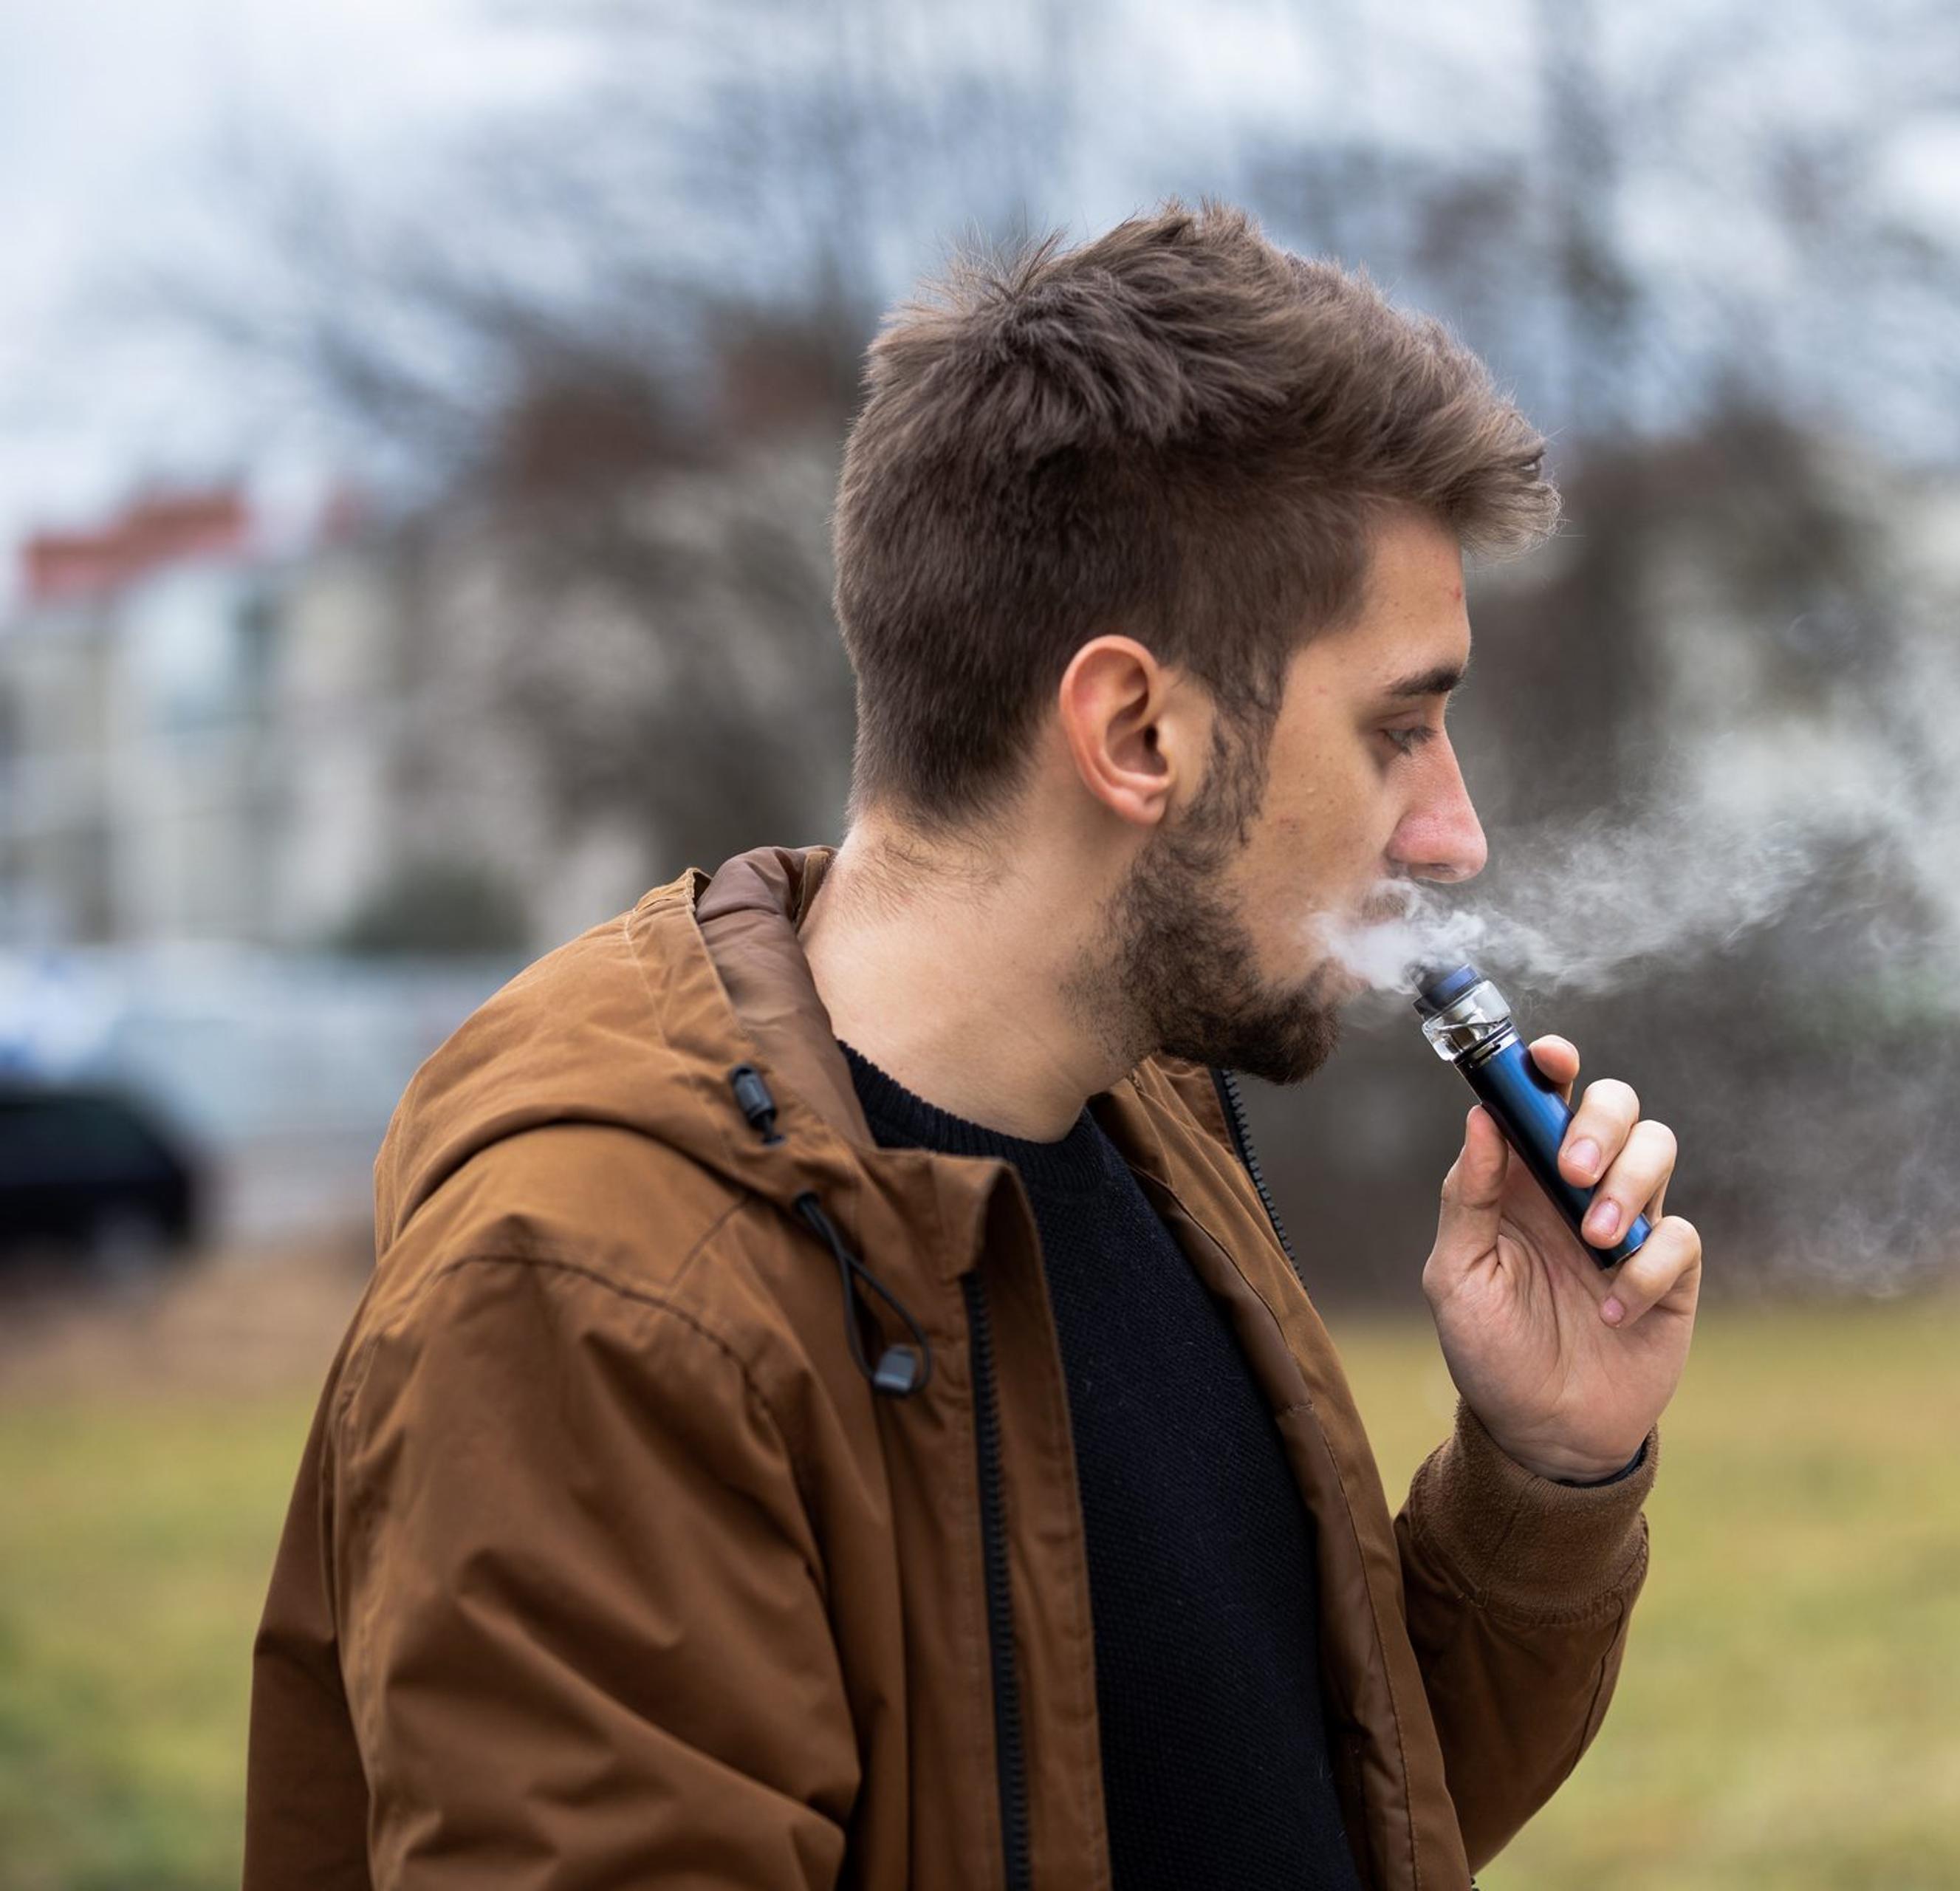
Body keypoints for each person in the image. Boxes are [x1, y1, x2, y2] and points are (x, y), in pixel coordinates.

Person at [244, 200, 1702, 1891]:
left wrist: (1547, 1462)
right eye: (1399, 728)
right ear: (1135, 729)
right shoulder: (596, 1297)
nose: (1453, 835)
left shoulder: (1154, 1128)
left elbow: (1290, 1815)